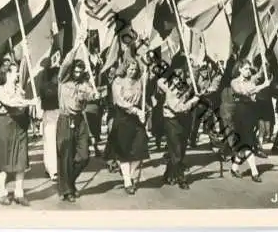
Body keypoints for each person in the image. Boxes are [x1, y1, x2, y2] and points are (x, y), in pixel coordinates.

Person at [56, 45, 102, 202]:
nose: (77, 74)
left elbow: (90, 95)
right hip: (65, 119)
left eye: (80, 72)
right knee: (66, 156)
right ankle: (67, 190)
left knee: (84, 156)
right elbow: (66, 63)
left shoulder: (85, 84)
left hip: (80, 120)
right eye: (75, 71)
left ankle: (69, 182)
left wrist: (95, 94)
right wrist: (76, 45)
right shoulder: (63, 80)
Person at [0, 63, 36, 206]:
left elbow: (22, 106)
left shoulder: (19, 89)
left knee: (21, 160)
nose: (17, 75)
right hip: (5, 126)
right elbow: (10, 103)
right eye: (15, 72)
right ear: (7, 74)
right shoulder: (0, 90)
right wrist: (29, 101)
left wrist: (24, 98)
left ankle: (19, 193)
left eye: (17, 72)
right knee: (4, 161)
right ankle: (3, 192)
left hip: (20, 126)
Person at [104, 59, 149, 195]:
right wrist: (136, 111)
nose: (133, 72)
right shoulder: (118, 81)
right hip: (122, 118)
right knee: (124, 152)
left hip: (136, 120)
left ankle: (128, 175)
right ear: (125, 69)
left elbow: (143, 94)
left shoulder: (139, 81)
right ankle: (127, 181)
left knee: (140, 148)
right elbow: (119, 101)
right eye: (130, 69)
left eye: (135, 69)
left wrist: (146, 70)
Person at [158, 67, 200, 190]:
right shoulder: (170, 92)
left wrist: (196, 96)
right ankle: (181, 178)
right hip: (171, 122)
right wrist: (193, 101)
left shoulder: (186, 89)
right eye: (175, 78)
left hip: (184, 121)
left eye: (181, 77)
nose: (178, 81)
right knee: (176, 149)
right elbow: (177, 108)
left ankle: (167, 174)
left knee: (181, 149)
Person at [229, 60, 271, 183]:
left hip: (251, 113)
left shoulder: (251, 80)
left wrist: (264, 65)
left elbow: (259, 74)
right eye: (246, 68)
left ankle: (234, 168)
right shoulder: (234, 82)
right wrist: (262, 86)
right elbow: (244, 92)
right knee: (248, 144)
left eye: (249, 68)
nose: (248, 71)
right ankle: (254, 172)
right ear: (240, 69)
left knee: (244, 145)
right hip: (240, 114)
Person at [39, 58, 60, 181]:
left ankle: (55, 167)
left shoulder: (60, 86)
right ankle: (52, 170)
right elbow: (47, 98)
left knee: (59, 143)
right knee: (50, 143)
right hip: (50, 115)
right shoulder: (46, 87)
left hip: (59, 114)